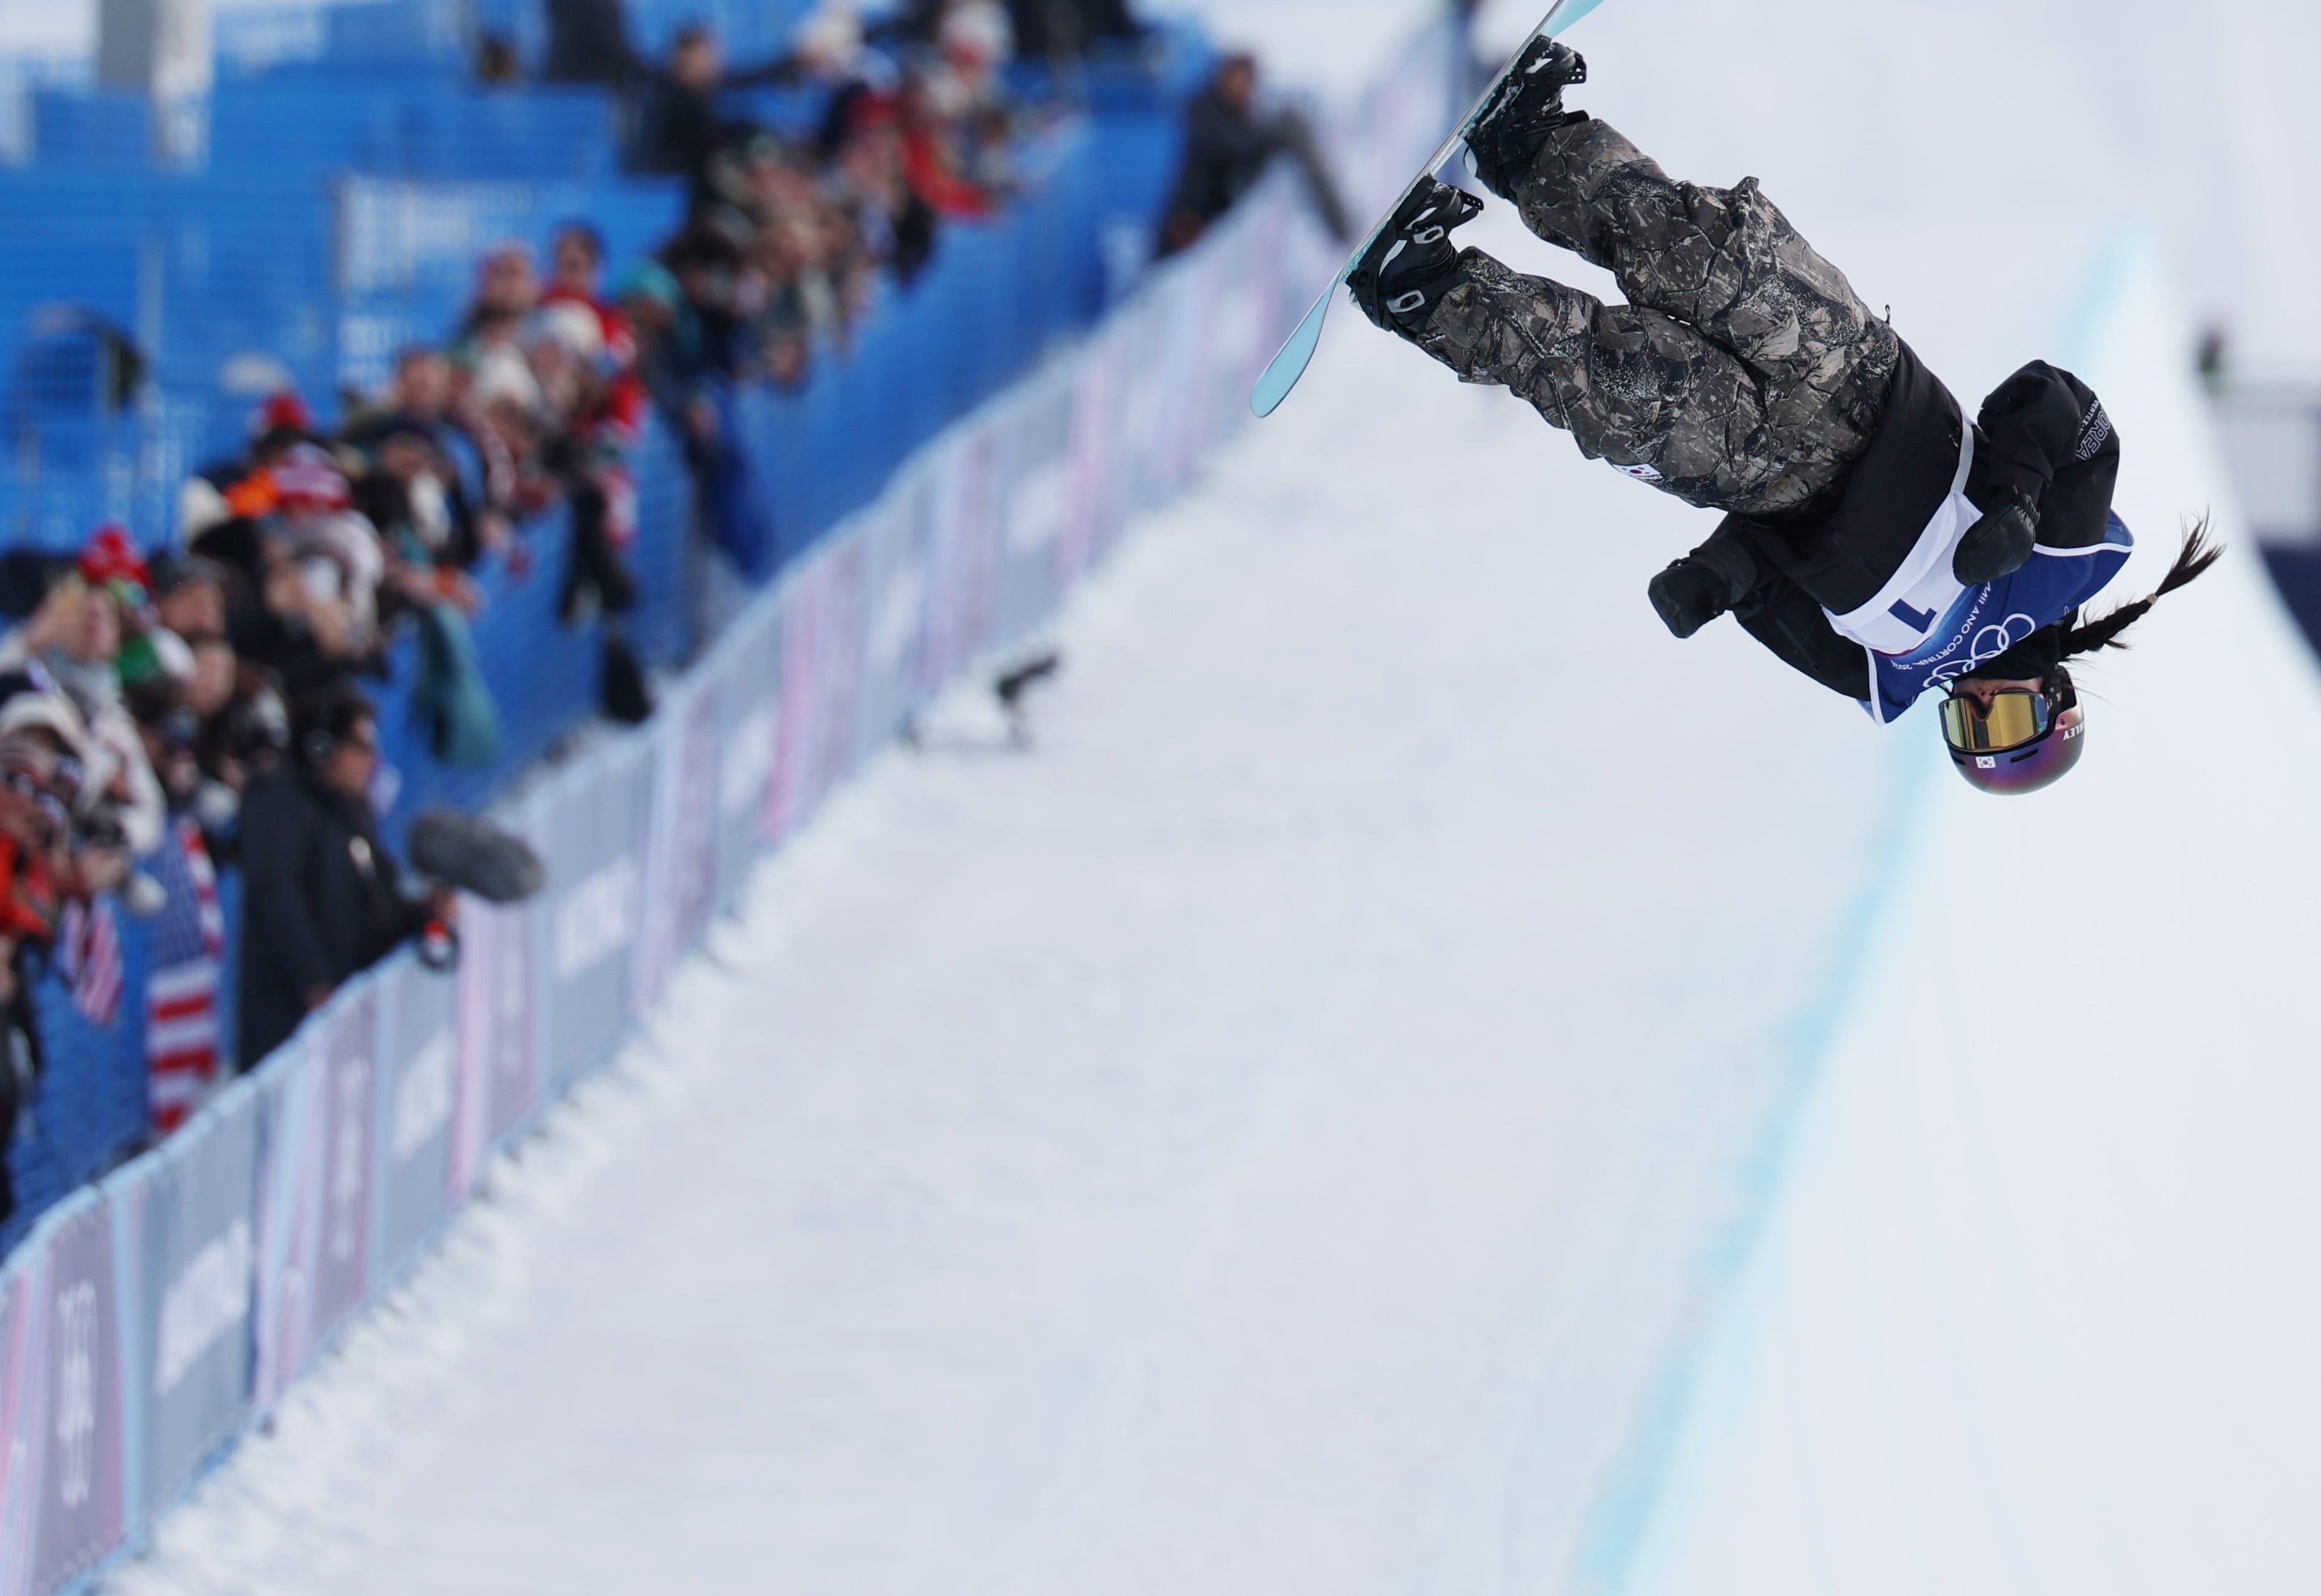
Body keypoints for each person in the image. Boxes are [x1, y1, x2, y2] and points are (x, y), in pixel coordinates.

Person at [1348, 41, 2219, 795]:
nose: (1982, 709)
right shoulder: (2073, 559)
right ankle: (1532, 144)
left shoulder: (1885, 683)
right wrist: (2019, 499)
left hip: (1767, 474)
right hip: (1856, 376)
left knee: (1612, 389)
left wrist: (1712, 583)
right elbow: (2060, 406)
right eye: (2010, 719)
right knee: (1698, 254)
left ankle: (1429, 290)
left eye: (1972, 735)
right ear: (2055, 696)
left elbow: (1772, 582)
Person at [235, 684, 447, 1066]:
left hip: (349, 1023)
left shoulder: (350, 811)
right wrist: (314, 981)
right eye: (361, 748)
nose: (372, 762)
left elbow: (377, 898)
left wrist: (425, 914)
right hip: (291, 1030)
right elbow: (276, 895)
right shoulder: (278, 808)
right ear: (322, 749)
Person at [1158, 53, 1349, 258]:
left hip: (1211, 232)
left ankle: (1342, 230)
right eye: (1239, 81)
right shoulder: (1205, 113)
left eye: (1249, 82)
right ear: (1223, 79)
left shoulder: (1238, 116)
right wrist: (1284, 131)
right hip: (1187, 229)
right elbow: (1235, 145)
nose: (1245, 89)